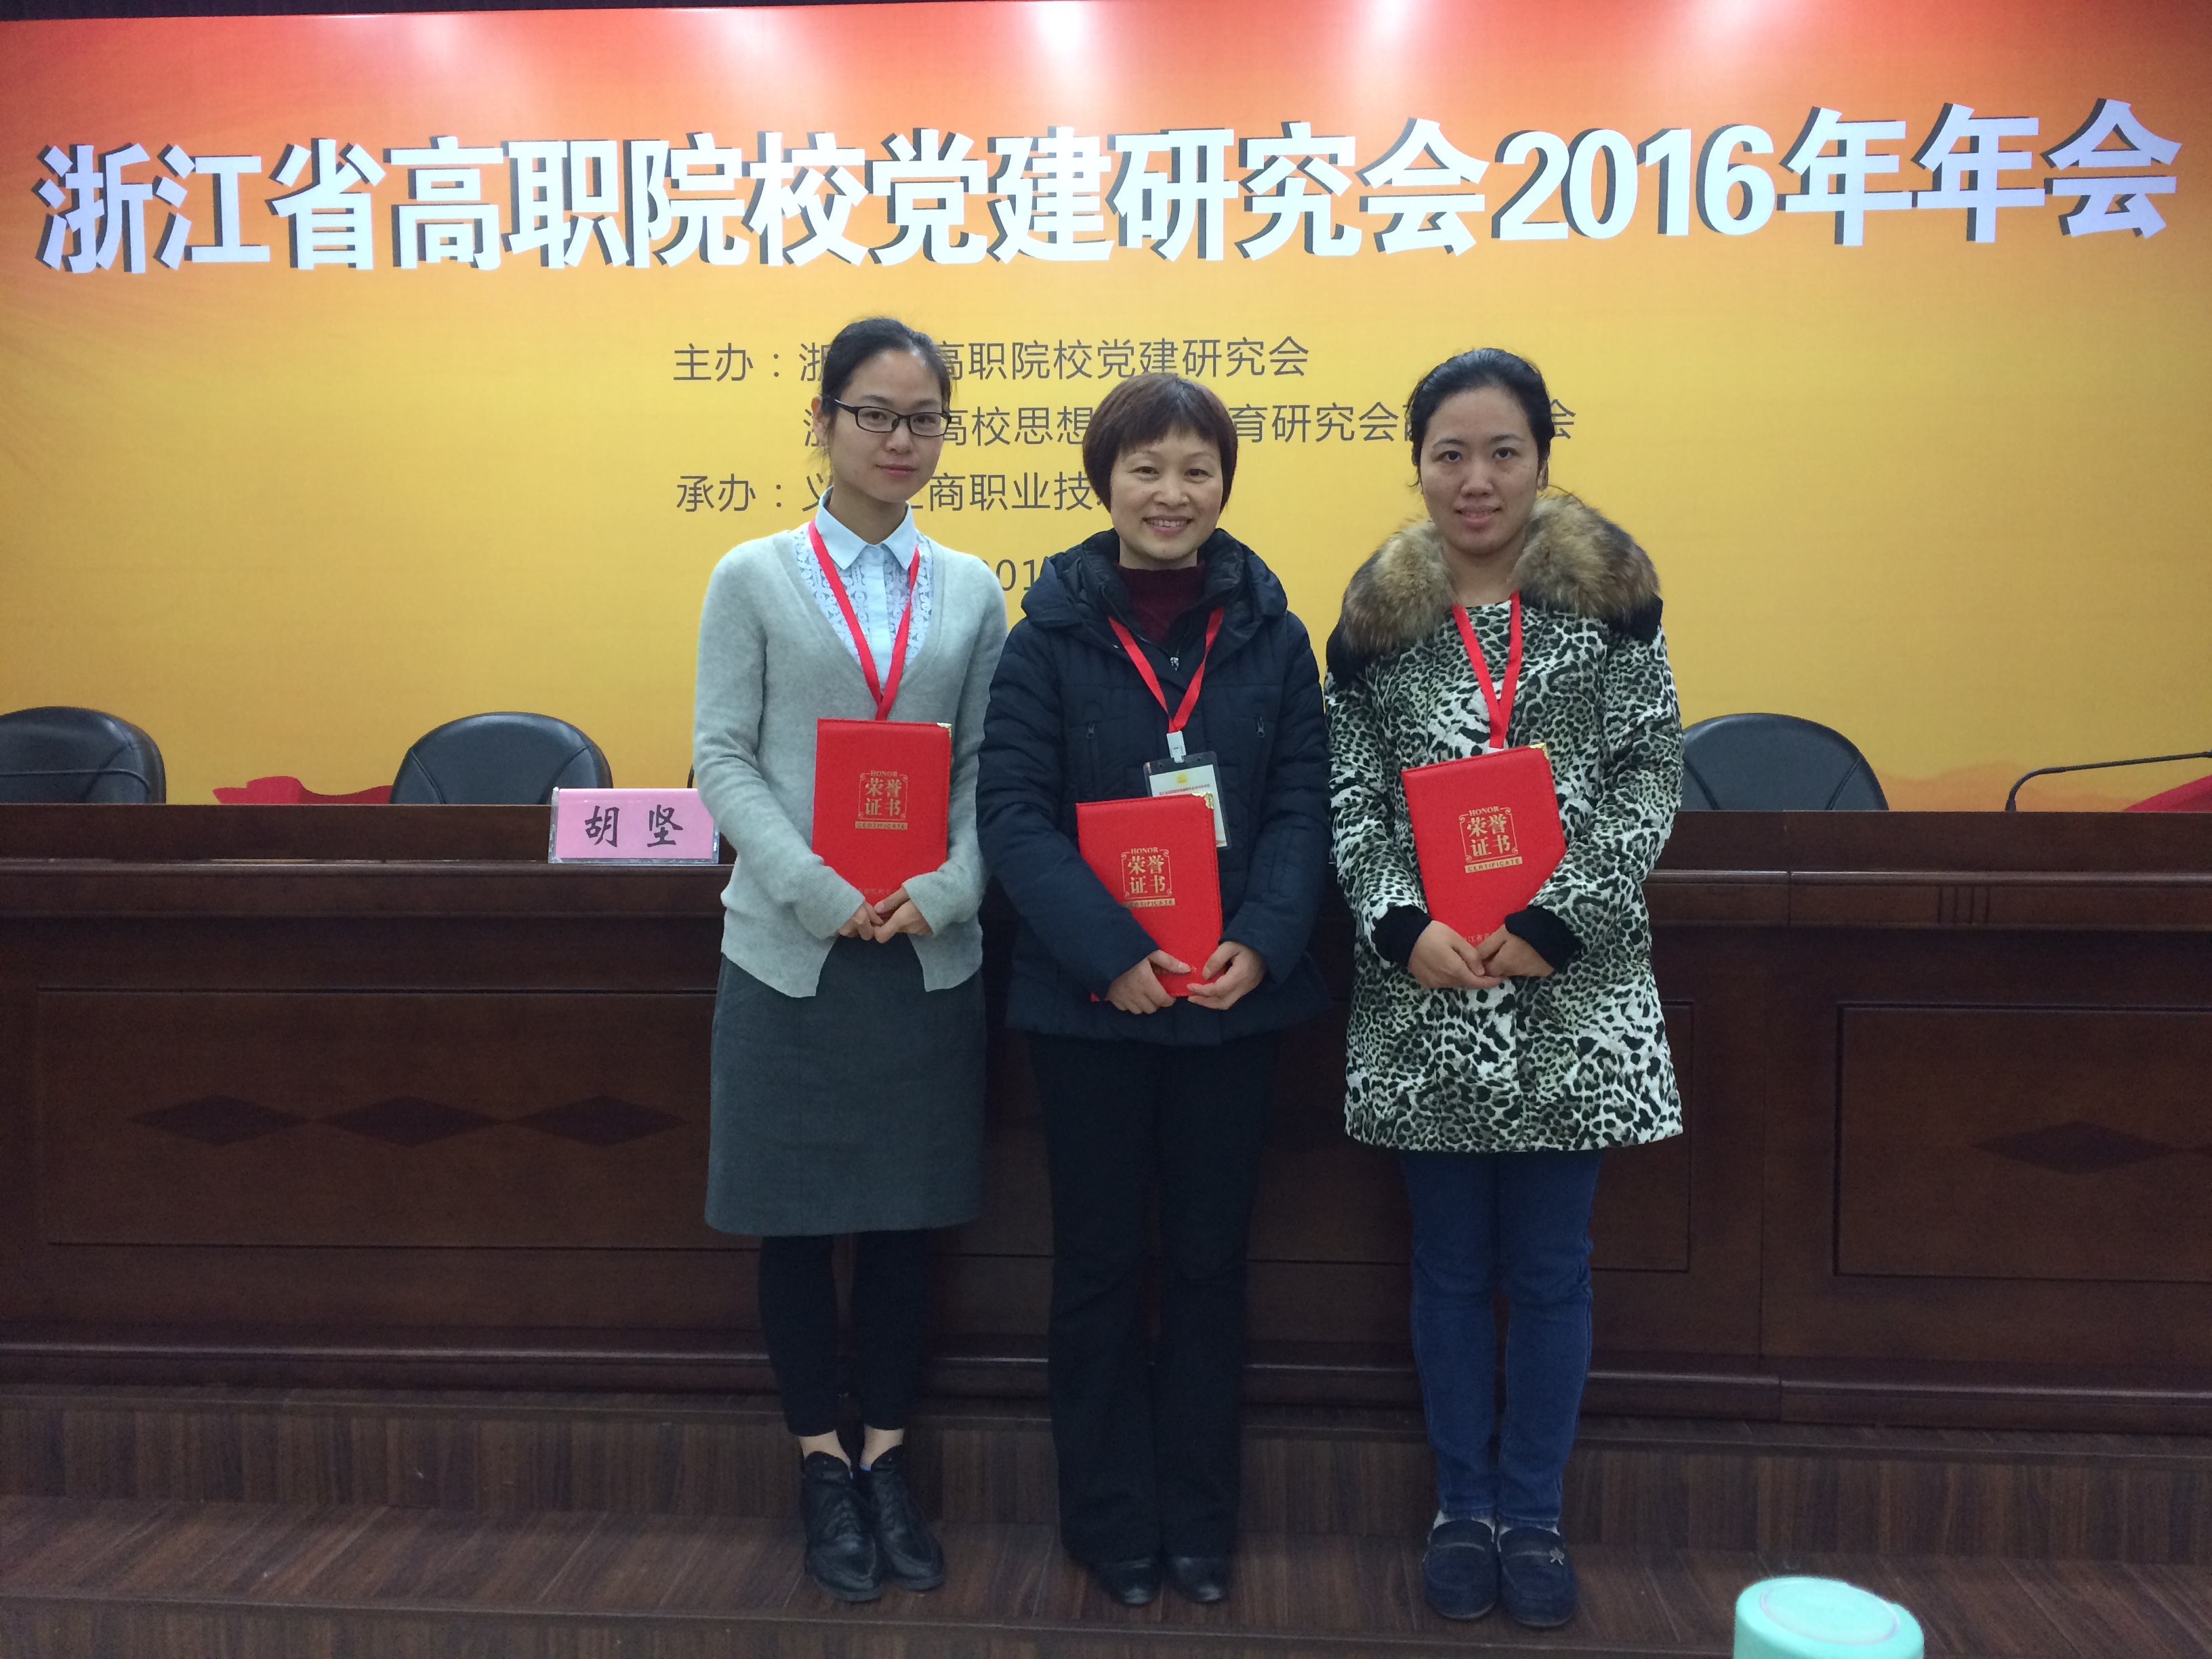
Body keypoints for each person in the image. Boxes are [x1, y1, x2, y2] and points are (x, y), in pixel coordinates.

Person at [1323, 348, 1683, 1630]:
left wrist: (1560, 922)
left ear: (1541, 459)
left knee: (1549, 1269)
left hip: (1572, 997)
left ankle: (1533, 1515)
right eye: (1450, 455)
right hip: (1428, 992)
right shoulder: (1374, 622)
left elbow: (1651, 772)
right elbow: (1352, 796)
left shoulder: (1612, 601)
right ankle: (1459, 1507)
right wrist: (1398, 922)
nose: (1476, 480)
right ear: (1418, 465)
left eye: (1503, 453)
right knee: (1444, 1267)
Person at [977, 373, 1331, 1609]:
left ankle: (1201, 1521)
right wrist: (1109, 954)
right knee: (1096, 1266)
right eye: (1146, 468)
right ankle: (1110, 1519)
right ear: (1105, 482)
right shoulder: (1045, 638)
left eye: (1196, 470)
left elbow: (1302, 806)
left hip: (1233, 1004)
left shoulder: (1275, 635)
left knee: (1212, 1267)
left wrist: (1266, 943)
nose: (1171, 493)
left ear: (1224, 484)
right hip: (1090, 1010)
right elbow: (1012, 815)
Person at [691, 315, 1007, 1604]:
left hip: (926, 955)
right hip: (790, 956)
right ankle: (820, 1464)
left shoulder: (973, 589)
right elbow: (723, 755)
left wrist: (949, 887)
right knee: (793, 1224)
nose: (900, 439)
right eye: (875, 413)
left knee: (901, 1228)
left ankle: (886, 1459)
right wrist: (818, 890)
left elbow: (989, 766)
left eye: (924, 418)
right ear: (821, 421)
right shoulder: (752, 575)